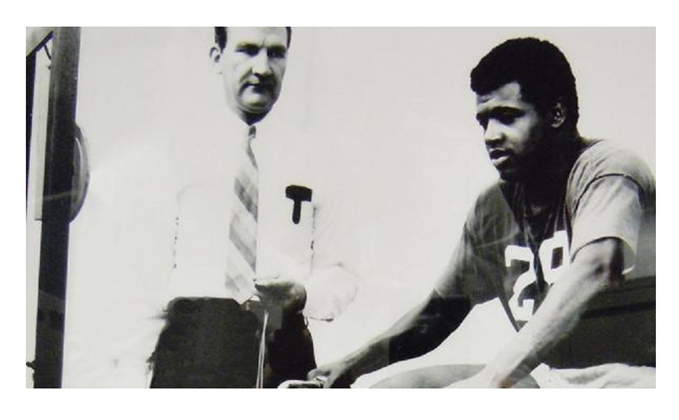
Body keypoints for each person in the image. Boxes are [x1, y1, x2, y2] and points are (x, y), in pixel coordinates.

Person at [309, 37, 656, 388]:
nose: (491, 136)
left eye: (507, 117)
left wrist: (490, 381)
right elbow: (437, 316)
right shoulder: (494, 206)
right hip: (554, 380)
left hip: (637, 378)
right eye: (484, 122)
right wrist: (350, 366)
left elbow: (595, 266)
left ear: (556, 114)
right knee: (395, 391)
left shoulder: (608, 170)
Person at [148, 27, 360, 388]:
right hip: (192, 350)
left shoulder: (316, 159)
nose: (262, 68)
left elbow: (343, 272)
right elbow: (142, 283)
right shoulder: (174, 153)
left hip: (282, 345)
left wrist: (303, 295)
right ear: (217, 57)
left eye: (275, 53)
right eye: (247, 50)